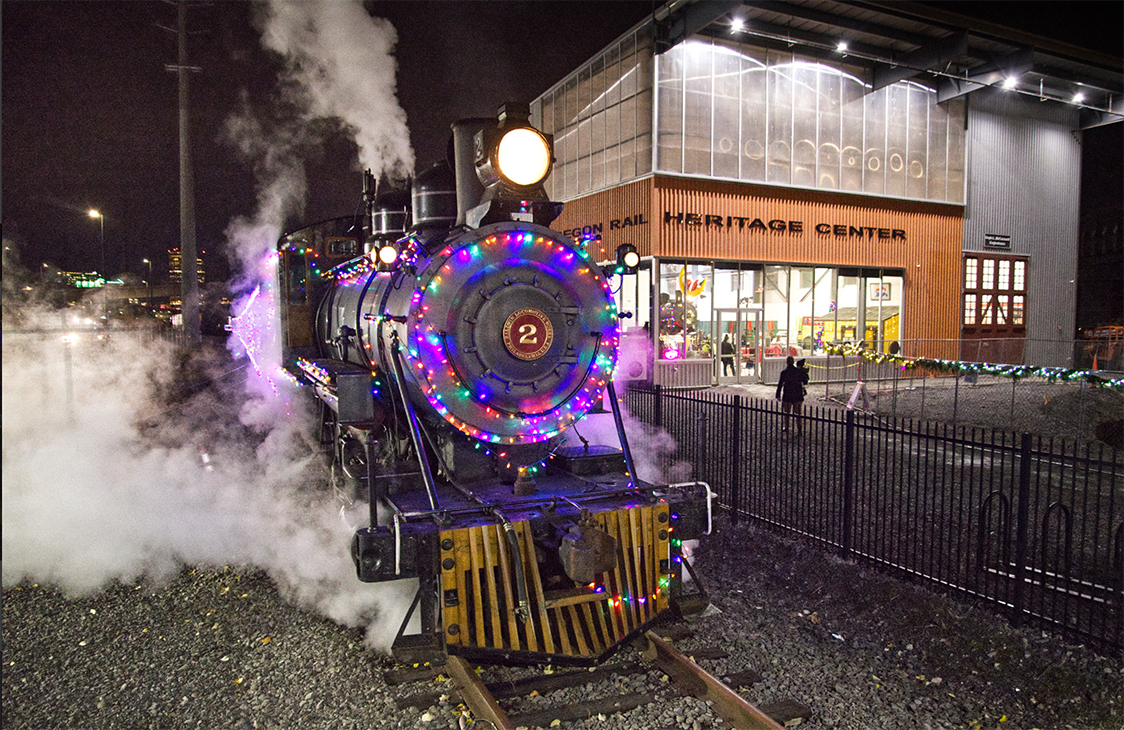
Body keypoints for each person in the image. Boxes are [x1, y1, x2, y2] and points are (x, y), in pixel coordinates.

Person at [776, 355, 809, 434]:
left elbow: (780, 384)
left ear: (787, 362)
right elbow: (805, 381)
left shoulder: (784, 372)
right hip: (798, 394)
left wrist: (778, 395)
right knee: (798, 413)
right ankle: (799, 429)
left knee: (787, 413)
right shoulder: (798, 371)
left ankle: (787, 427)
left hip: (788, 394)